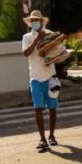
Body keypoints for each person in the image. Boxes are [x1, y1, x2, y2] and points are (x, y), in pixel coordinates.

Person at [22, 10, 58, 152]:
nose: (35, 22)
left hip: (51, 77)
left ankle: (52, 135)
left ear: (42, 21)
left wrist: (53, 59)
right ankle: (42, 138)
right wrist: (37, 40)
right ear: (30, 23)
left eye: (37, 20)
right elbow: (26, 53)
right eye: (33, 20)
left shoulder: (50, 34)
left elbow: (57, 52)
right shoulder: (27, 37)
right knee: (38, 108)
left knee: (52, 108)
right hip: (36, 77)